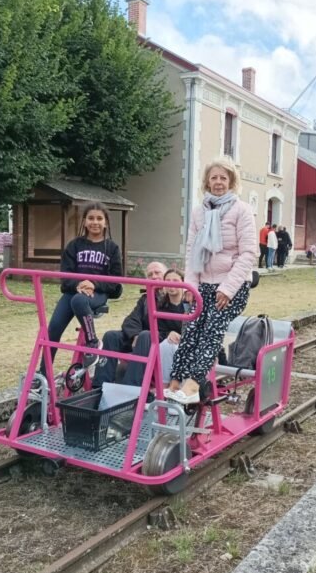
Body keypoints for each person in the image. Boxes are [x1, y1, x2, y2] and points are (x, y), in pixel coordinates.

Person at [166, 158, 257, 405]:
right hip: (203, 284)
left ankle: (194, 383)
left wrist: (227, 288)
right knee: (191, 330)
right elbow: (191, 250)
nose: (218, 182)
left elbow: (249, 253)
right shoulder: (199, 212)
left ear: (231, 183)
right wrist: (191, 286)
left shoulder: (242, 210)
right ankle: (175, 381)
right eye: (214, 177)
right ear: (207, 181)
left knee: (211, 330)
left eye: (223, 178)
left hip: (232, 286)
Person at [41, 202, 122, 376]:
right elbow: (66, 276)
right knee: (53, 329)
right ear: (84, 222)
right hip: (74, 291)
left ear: (106, 222)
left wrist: (95, 284)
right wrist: (78, 284)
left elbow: (116, 281)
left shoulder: (112, 248)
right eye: (91, 218)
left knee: (79, 300)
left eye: (99, 218)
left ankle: (93, 342)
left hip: (98, 293)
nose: (95, 222)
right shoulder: (74, 245)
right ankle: (43, 374)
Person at [93, 261, 170, 387]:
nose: (154, 277)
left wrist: (142, 336)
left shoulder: (172, 295)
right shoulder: (145, 299)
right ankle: (100, 385)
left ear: (166, 275)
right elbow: (131, 320)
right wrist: (135, 335)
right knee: (111, 336)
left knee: (146, 336)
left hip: (163, 338)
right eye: (150, 274)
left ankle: (131, 387)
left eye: (157, 273)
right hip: (142, 338)